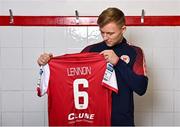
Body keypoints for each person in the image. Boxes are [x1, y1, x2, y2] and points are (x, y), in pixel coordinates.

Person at [37, 7, 148, 126]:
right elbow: (69, 73)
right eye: (102, 32)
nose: (105, 37)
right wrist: (48, 62)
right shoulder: (90, 50)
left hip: (121, 121)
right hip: (93, 120)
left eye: (110, 33)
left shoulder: (135, 52)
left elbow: (141, 88)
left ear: (123, 29)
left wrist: (118, 62)